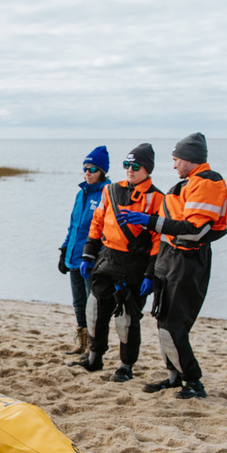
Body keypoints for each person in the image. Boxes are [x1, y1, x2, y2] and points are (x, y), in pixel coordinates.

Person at [116, 132, 227, 399]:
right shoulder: (188, 182)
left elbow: (194, 231)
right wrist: (154, 267)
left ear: (190, 158)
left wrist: (148, 221)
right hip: (171, 259)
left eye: (176, 159)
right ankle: (174, 377)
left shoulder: (208, 182)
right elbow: (172, 226)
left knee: (173, 325)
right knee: (163, 320)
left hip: (188, 261)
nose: (174, 164)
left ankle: (193, 382)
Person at [72, 143, 163, 379]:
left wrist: (151, 274)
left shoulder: (157, 198)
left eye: (136, 166)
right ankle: (94, 357)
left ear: (147, 168)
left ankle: (126, 366)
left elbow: (158, 239)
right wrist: (88, 254)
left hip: (135, 264)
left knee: (126, 318)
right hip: (107, 259)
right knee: (95, 310)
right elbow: (98, 221)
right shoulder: (110, 190)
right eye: (127, 165)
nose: (130, 170)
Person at [57, 146, 109, 356]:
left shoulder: (108, 193)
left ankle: (95, 348)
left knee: (92, 305)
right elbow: (74, 226)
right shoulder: (81, 194)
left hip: (92, 259)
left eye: (92, 169)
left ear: (102, 171)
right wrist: (64, 251)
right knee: (78, 303)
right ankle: (83, 343)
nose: (87, 172)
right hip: (73, 257)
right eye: (85, 168)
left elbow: (106, 230)